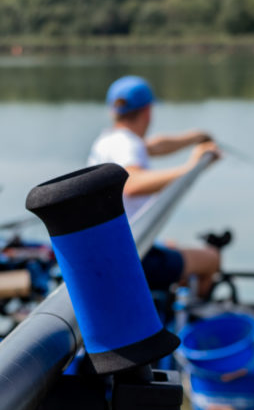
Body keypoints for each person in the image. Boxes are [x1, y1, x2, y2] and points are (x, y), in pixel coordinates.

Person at [87, 75, 222, 297]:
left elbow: (155, 146)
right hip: (135, 259)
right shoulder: (127, 144)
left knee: (172, 247)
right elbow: (132, 183)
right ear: (148, 111)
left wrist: (195, 137)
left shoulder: (110, 140)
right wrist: (194, 167)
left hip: (113, 251)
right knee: (211, 259)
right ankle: (193, 322)